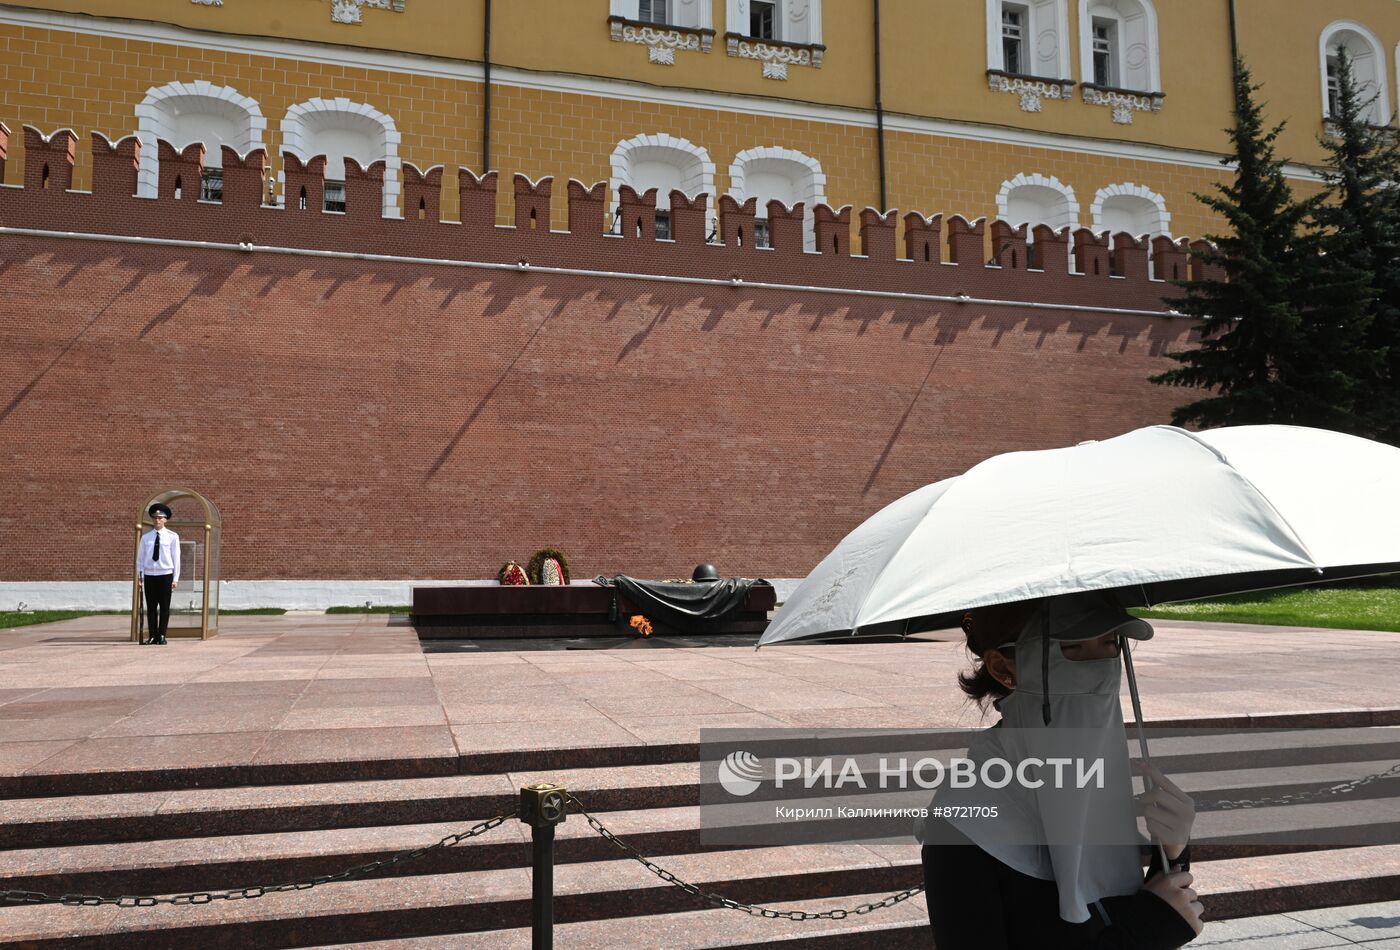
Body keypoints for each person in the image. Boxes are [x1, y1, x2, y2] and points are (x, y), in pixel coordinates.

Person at [921, 593, 1202, 948]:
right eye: (1072, 647)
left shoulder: (1091, 782)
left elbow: (1133, 907)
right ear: (1004, 668)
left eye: (1110, 643)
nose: (1099, 667)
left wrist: (1173, 854)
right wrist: (1146, 932)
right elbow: (1137, 926)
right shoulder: (963, 820)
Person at [137, 503, 180, 645]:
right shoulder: (146, 537)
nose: (157, 520)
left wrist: (175, 578)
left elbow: (176, 558)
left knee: (164, 607)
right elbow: (140, 559)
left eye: (160, 518)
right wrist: (140, 576)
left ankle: (162, 635)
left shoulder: (172, 537)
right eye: (155, 518)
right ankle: (152, 635)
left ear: (165, 520)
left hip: (165, 574)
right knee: (151, 608)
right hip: (149, 575)